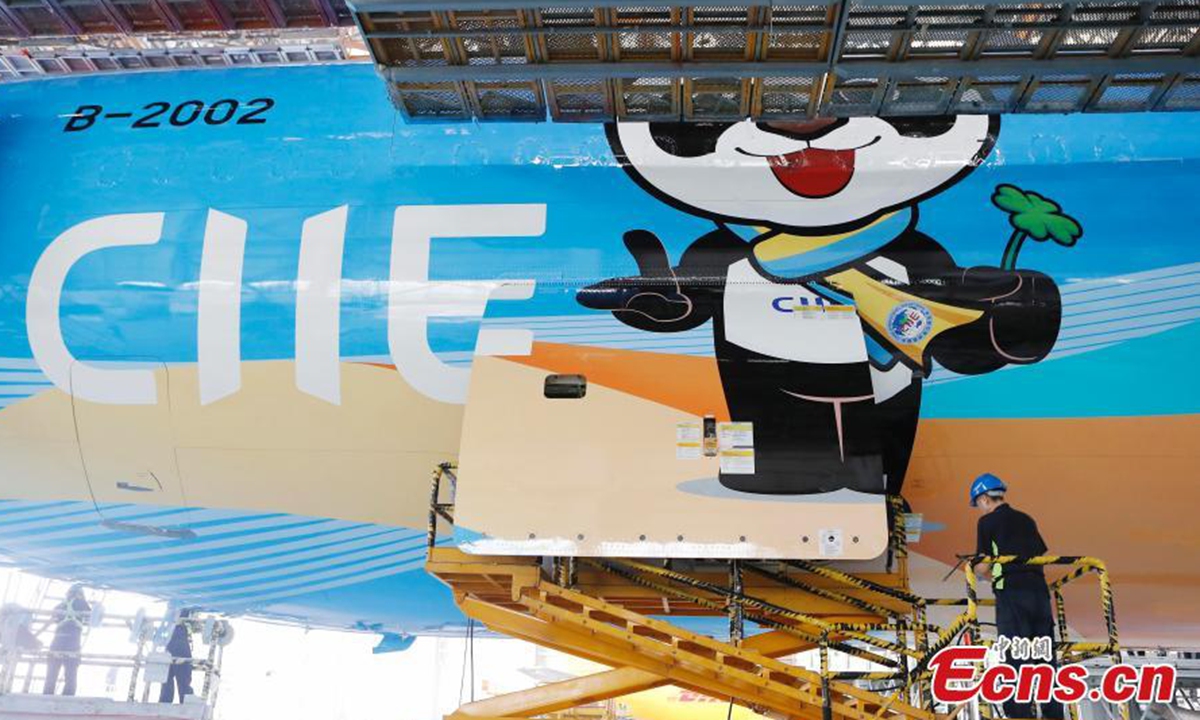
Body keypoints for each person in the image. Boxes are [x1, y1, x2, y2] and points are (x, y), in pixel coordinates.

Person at [971, 473, 1064, 720]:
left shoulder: (987, 522)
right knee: (1045, 658)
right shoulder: (1026, 519)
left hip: (1012, 594)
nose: (979, 508)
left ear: (984, 499)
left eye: (978, 503)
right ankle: (1054, 714)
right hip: (1039, 594)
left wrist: (976, 570)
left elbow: (983, 564)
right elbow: (1035, 555)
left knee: (1015, 656)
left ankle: (1020, 714)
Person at [40, 583, 90, 696]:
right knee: (71, 673)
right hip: (72, 641)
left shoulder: (60, 605)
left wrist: (37, 633)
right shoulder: (82, 603)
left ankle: (47, 696)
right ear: (80, 594)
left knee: (51, 673)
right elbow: (90, 619)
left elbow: (52, 618)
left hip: (57, 641)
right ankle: (68, 697)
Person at [159, 608, 195, 704]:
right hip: (179, 640)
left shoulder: (171, 611)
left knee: (167, 679)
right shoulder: (184, 609)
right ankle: (185, 702)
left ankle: (164, 702)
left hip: (169, 640)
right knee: (183, 677)